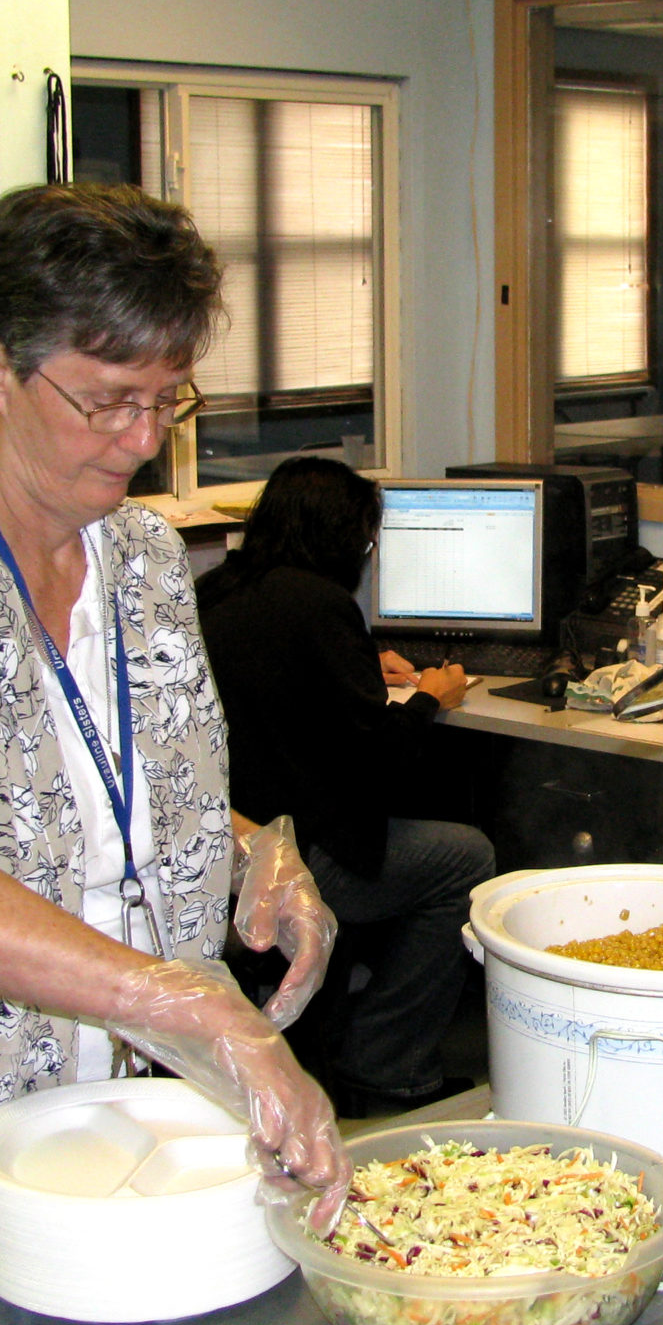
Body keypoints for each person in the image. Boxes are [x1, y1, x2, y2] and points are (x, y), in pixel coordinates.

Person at [0, 183, 351, 1300]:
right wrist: (195, 1004)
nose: (144, 441)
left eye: (166, 400)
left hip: (146, 1109)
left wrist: (253, 850)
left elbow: (112, 803)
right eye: (106, 402)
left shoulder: (144, 557)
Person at [196, 455, 495, 1115]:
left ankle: (366, 1042)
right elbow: (380, 765)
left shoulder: (217, 589)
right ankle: (388, 1062)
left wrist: (362, 666)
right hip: (301, 862)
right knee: (465, 856)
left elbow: (291, 690)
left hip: (229, 852)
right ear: (342, 541)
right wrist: (430, 697)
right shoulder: (320, 604)